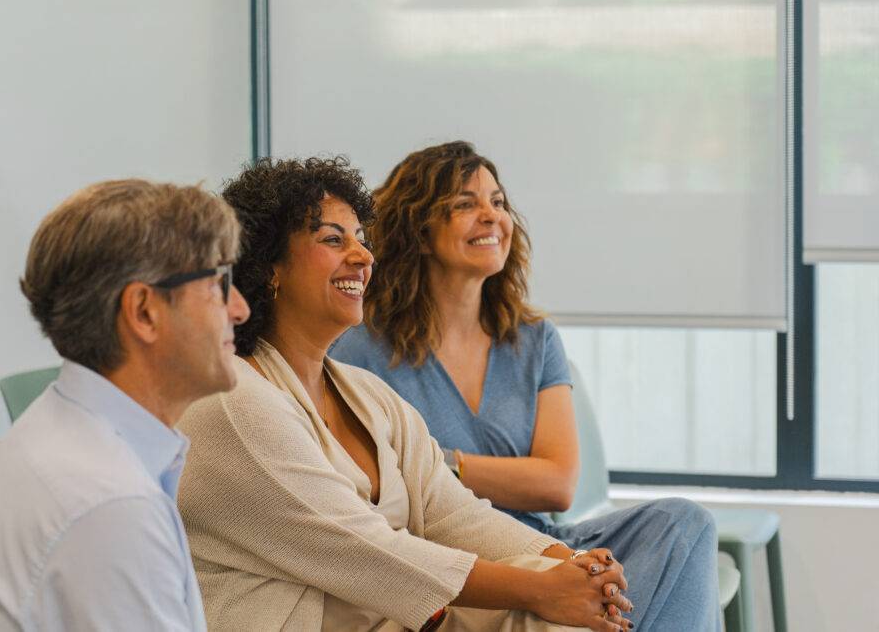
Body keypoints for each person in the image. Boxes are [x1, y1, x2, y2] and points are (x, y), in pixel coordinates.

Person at [176, 157, 633, 632]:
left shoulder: (369, 395)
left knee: (579, 606)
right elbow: (363, 548)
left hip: (392, 619)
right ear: (270, 266)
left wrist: (574, 565)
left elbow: (452, 512)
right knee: (548, 610)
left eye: (362, 240)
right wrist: (545, 588)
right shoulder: (231, 400)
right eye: (334, 239)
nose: (362, 256)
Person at [330, 141, 721, 631]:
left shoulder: (535, 339)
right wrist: (455, 479)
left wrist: (440, 464)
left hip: (543, 538)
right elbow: (375, 495)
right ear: (421, 233)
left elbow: (557, 484)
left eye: (498, 202)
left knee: (685, 524)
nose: (491, 216)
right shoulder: (360, 348)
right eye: (465, 205)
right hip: (452, 560)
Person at [0, 179, 250, 631]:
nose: (240, 309)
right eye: (218, 285)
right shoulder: (110, 505)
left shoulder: (60, 432)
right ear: (144, 311)